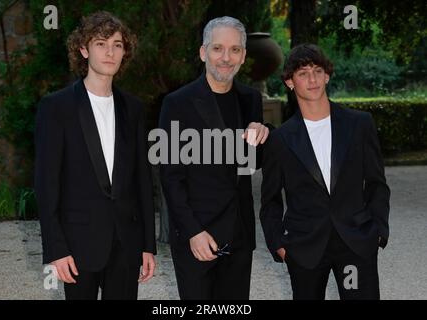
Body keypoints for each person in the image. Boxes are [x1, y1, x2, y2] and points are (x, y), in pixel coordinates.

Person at [34, 11, 156, 300]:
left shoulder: (134, 109)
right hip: (77, 246)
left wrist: (147, 245)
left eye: (117, 44)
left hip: (126, 244)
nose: (110, 51)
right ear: (83, 49)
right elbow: (46, 184)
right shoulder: (56, 108)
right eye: (101, 43)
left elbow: (142, 181)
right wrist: (56, 250)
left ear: (125, 51)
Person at [260, 43, 390, 300]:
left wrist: (377, 232)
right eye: (303, 73)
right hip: (304, 248)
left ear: (327, 75)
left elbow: (377, 183)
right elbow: (270, 200)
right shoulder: (280, 139)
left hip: (356, 242)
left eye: (317, 71)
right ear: (289, 82)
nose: (312, 79)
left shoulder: (359, 125)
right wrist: (279, 245)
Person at [159, 16, 270, 300]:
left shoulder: (250, 100)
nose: (226, 58)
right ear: (203, 52)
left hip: (239, 234)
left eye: (234, 50)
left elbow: (249, 163)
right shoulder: (178, 103)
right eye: (218, 48)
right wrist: (193, 232)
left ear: (243, 56)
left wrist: (264, 135)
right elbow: (171, 177)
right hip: (198, 236)